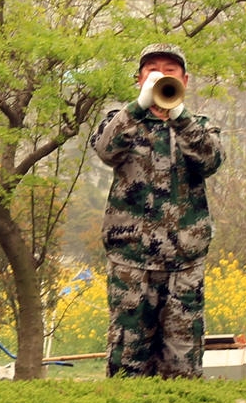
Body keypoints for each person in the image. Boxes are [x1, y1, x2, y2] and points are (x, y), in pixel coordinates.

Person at [89, 42, 224, 378]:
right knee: (126, 366)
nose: (160, 74)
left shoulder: (200, 126)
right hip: (131, 265)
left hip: (184, 266)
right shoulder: (120, 121)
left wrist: (179, 116)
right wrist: (138, 108)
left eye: (169, 69)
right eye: (152, 69)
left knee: (183, 367)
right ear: (139, 78)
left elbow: (210, 159)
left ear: (185, 80)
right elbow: (105, 150)